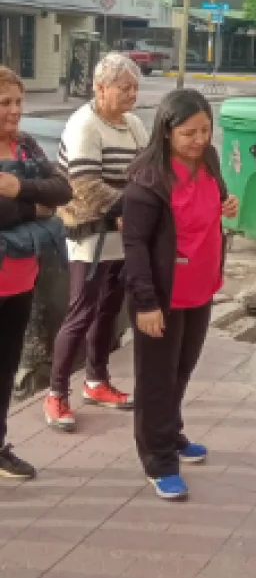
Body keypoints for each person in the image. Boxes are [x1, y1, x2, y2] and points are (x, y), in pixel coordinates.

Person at [122, 89, 238, 500]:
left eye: (206, 130)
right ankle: (158, 460)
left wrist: (226, 203)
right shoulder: (148, 180)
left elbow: (215, 197)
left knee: (181, 370)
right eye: (190, 132)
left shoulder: (207, 161)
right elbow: (133, 246)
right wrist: (147, 303)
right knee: (156, 378)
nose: (200, 139)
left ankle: (171, 434)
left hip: (201, 288)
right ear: (167, 131)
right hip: (163, 296)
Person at [44, 53, 148, 431]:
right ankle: (56, 394)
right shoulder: (83, 125)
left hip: (124, 233)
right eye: (124, 88)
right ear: (100, 88)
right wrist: (129, 208)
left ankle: (96, 380)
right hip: (91, 233)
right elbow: (84, 184)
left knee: (109, 309)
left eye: (135, 88)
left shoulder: (134, 124)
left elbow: (148, 169)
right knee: (81, 312)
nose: (132, 95)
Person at [0, 66, 71, 478]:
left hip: (20, 280)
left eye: (18, 102)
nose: (14, 111)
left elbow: (62, 190)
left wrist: (19, 190)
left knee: (6, 368)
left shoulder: (25, 147)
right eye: (5, 103)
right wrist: (34, 209)